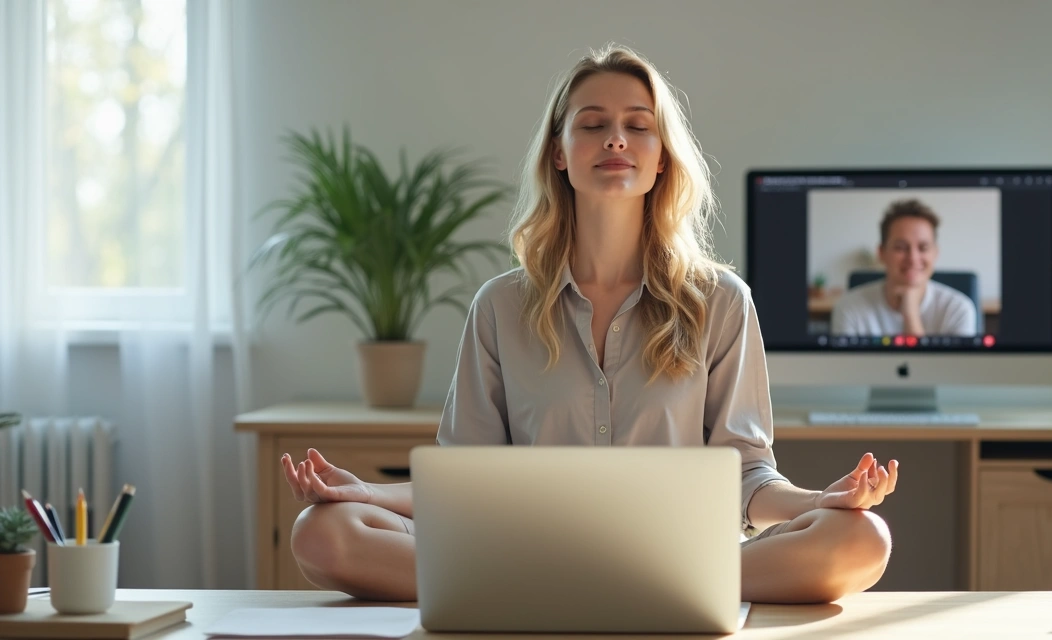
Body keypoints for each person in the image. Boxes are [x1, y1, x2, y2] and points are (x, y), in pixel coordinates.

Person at [282, 44, 897, 605]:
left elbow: (745, 473)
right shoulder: (500, 306)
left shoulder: (721, 302)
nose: (616, 141)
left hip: (679, 559)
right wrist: (365, 493)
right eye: (593, 125)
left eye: (638, 126)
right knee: (323, 531)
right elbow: (464, 483)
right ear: (559, 152)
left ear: (661, 159)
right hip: (528, 554)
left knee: (863, 538)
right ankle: (613, 591)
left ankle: (576, 593)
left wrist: (820, 502)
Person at [830, 198, 977, 337]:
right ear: (881, 252)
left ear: (935, 253)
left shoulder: (959, 309)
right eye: (901, 248)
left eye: (923, 248)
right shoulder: (848, 308)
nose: (913, 258)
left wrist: (911, 314)